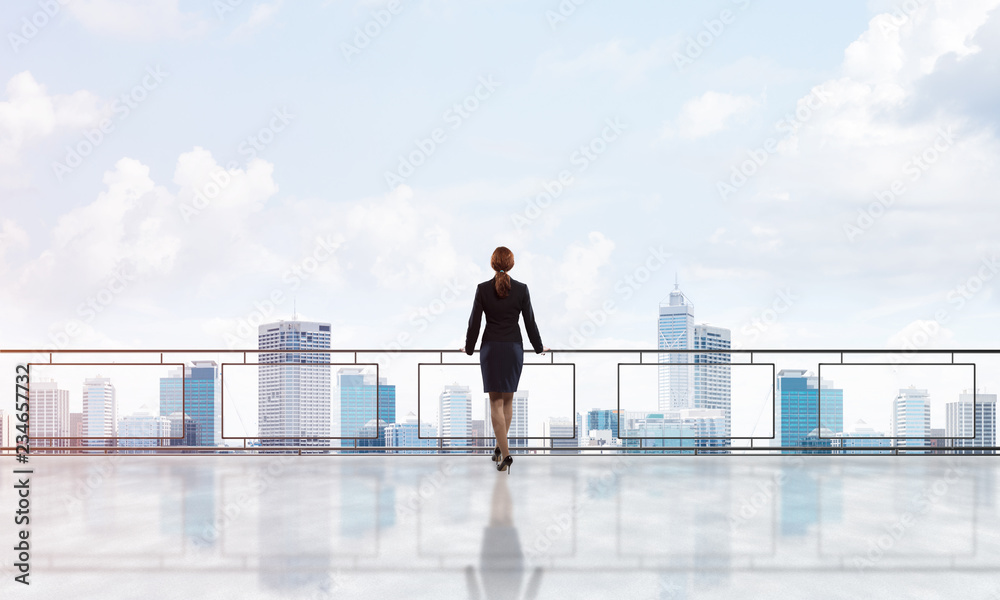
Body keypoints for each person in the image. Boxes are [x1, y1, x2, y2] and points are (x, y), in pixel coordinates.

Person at [463, 246, 548, 474]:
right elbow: (530, 322)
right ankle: (500, 448)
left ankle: (506, 454)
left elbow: (474, 324)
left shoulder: (482, 289)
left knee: (495, 403)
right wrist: (539, 347)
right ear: (511, 264)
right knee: (508, 401)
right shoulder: (521, 289)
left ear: (492, 263)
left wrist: (469, 348)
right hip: (513, 349)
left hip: (491, 348)